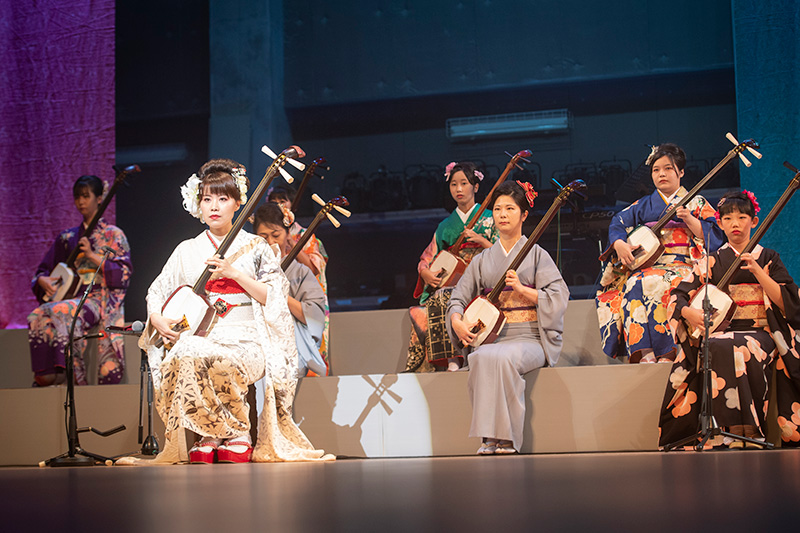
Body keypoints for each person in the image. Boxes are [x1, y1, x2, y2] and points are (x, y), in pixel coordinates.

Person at [138, 159, 332, 464]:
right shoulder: (186, 249)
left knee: (225, 359)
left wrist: (236, 274)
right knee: (184, 352)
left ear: (238, 203)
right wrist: (157, 318)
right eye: (207, 199)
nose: (214, 206)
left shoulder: (256, 246)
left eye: (223, 198)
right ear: (197, 205)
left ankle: (238, 432)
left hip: (247, 336)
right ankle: (209, 432)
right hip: (204, 332)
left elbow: (275, 296)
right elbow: (157, 291)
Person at [659, 191, 800, 448]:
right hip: (722, 330)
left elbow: (787, 300)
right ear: (720, 223)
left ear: (754, 221)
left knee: (741, 347)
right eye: (728, 218)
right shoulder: (711, 260)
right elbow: (679, 296)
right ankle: (731, 429)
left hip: (761, 331)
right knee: (722, 344)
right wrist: (690, 313)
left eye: (742, 217)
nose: (735, 223)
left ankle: (750, 429)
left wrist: (759, 272)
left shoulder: (768, 257)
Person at [448, 181, 569, 454]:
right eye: (498, 209)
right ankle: (488, 436)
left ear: (524, 215)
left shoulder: (538, 255)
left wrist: (524, 290)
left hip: (530, 337)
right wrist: (457, 321)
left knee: (501, 357)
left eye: (510, 209)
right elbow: (457, 298)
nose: (502, 214)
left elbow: (559, 296)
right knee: (480, 356)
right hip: (494, 337)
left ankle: (506, 437)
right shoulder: (482, 260)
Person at [596, 143, 724, 363]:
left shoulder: (696, 202)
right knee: (634, 283)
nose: (661, 174)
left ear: (681, 172)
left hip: (684, 264)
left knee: (663, 283)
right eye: (656, 170)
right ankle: (643, 352)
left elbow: (716, 234)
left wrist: (690, 219)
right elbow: (618, 221)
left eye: (668, 168)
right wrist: (619, 244)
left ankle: (669, 351)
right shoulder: (642, 205)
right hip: (649, 265)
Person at [28, 175, 132, 386]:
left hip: (97, 300)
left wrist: (93, 256)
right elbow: (43, 270)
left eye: (86, 196)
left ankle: (72, 374)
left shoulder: (113, 235)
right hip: (71, 298)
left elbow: (124, 273)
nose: (81, 202)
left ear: (99, 198)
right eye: (77, 197)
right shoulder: (67, 238)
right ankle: (47, 371)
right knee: (36, 314)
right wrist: (42, 281)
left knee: (61, 311)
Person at [404, 161, 497, 372]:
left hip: (483, 277)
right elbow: (427, 258)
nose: (459, 189)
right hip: (455, 281)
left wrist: (482, 241)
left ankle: (458, 356)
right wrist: (425, 273)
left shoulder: (491, 218)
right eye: (454, 184)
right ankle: (451, 358)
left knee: (448, 296)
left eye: (464, 183)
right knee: (442, 296)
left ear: (476, 186)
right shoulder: (445, 226)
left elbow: (503, 252)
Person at [253, 202, 327, 377]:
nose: (270, 242)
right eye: (263, 236)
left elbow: (314, 316)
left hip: (289, 353)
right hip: (255, 349)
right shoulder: (248, 270)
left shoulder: (301, 272)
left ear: (288, 235)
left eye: (275, 235)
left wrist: (277, 294)